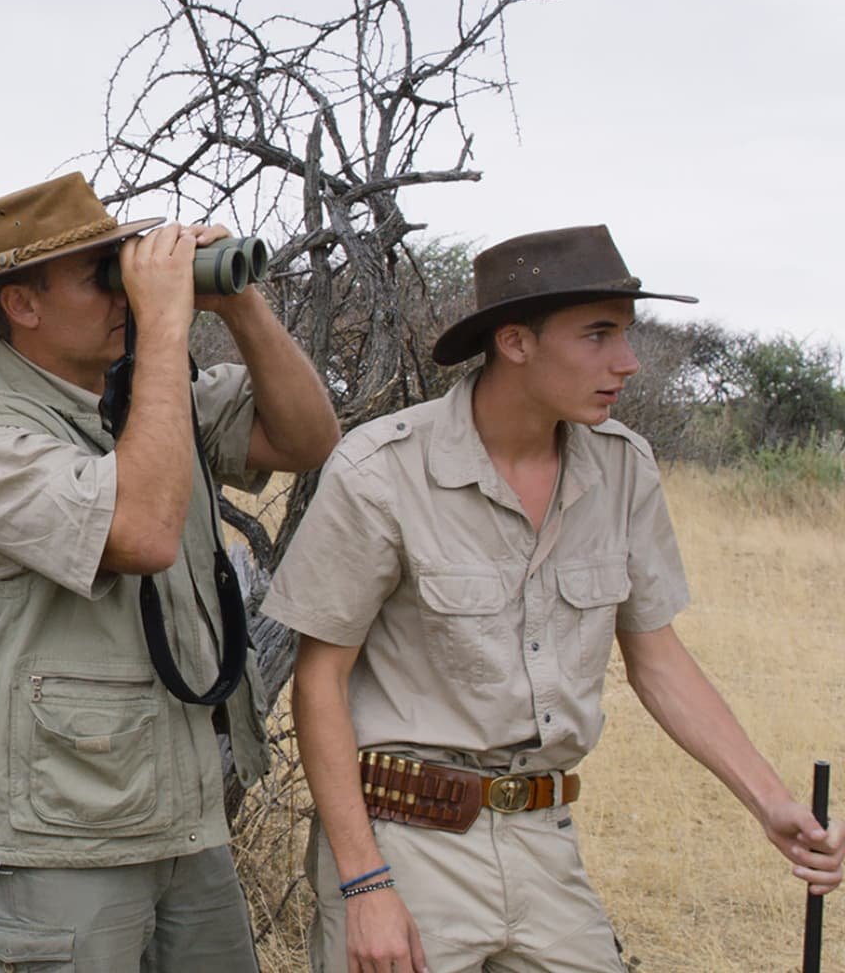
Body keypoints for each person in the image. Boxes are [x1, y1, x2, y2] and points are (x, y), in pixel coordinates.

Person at [265, 225, 845, 973]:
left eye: (627, 335)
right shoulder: (383, 470)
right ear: (515, 342)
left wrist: (772, 804)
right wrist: (366, 882)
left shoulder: (624, 468)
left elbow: (659, 661)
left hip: (544, 838)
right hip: (405, 841)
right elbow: (319, 682)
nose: (627, 363)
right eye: (599, 335)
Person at [0, 172, 338, 970]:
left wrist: (240, 305)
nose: (125, 291)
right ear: (23, 305)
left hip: (179, 812)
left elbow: (308, 438)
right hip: (59, 842)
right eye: (100, 275)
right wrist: (168, 324)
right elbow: (141, 532)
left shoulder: (142, 398)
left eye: (125, 266)